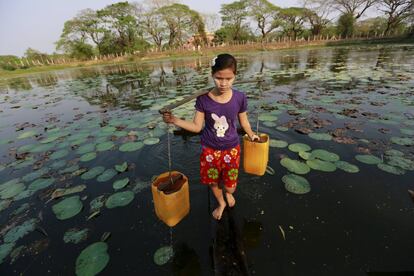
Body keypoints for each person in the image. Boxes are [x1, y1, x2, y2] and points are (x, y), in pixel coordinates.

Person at [162, 53, 259, 220]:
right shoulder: (203, 99)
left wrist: (251, 134)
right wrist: (174, 120)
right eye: (219, 78)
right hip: (209, 150)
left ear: (235, 76)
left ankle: (227, 194)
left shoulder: (239, 98)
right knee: (213, 182)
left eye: (228, 78)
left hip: (231, 149)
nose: (223, 83)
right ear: (212, 75)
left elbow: (244, 122)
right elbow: (196, 126)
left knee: (231, 187)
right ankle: (221, 202)